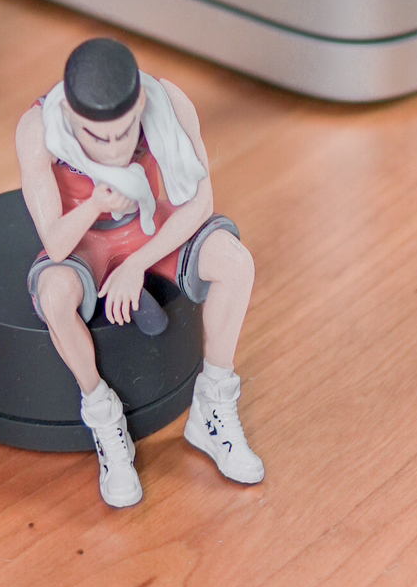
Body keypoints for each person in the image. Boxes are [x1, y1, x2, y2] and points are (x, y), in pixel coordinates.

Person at [16, 35, 261, 508]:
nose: (114, 148)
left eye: (125, 132)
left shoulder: (169, 103)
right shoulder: (38, 129)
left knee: (235, 261)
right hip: (86, 239)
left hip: (151, 229)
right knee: (53, 295)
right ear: (70, 117)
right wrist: (95, 205)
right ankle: (104, 416)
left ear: (140, 105)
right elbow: (57, 242)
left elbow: (200, 204)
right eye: (98, 137)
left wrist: (136, 265)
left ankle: (213, 405)